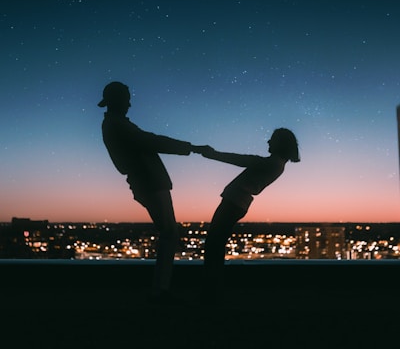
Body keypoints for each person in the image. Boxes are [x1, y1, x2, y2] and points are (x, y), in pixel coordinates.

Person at [98, 81, 209, 304]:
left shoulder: (116, 125)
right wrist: (191, 148)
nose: (130, 103)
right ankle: (160, 292)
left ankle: (160, 290)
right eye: (127, 98)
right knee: (169, 233)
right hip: (149, 182)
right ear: (118, 100)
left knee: (169, 232)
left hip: (147, 182)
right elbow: (152, 141)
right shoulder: (117, 125)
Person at [200, 128, 300, 299]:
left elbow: (241, 160)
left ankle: (212, 291)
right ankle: (212, 290)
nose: (268, 142)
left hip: (234, 202)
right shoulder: (277, 164)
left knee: (213, 245)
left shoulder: (272, 163)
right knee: (215, 245)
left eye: (272, 139)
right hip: (238, 203)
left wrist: (213, 154)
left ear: (280, 143)